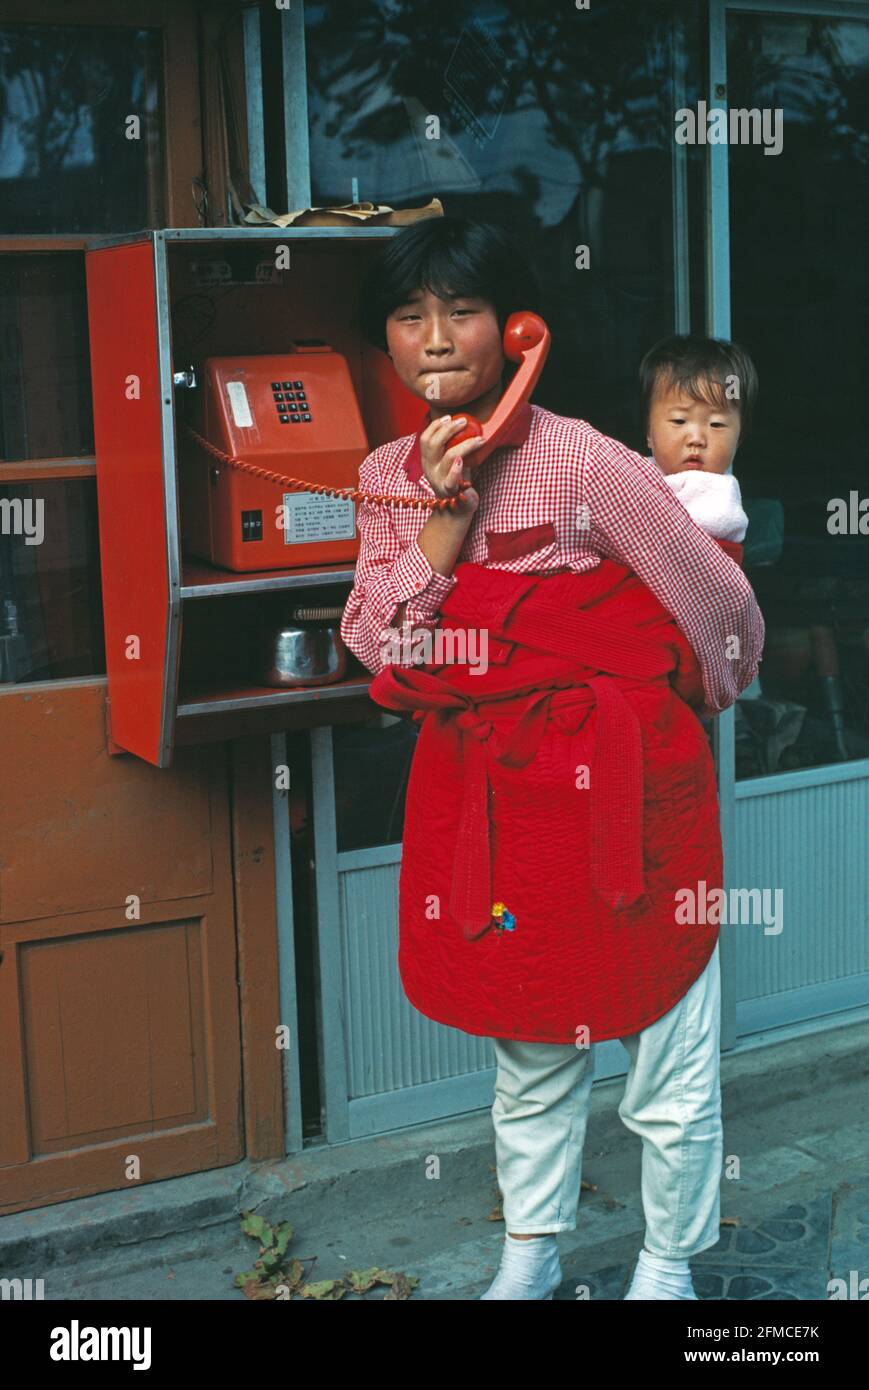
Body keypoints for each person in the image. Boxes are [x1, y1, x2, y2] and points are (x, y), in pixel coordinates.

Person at [340, 216, 765, 1300]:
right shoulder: (385, 474)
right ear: (383, 342)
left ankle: (666, 1262)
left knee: (667, 1055)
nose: (435, 338)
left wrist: (683, 694)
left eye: (462, 311)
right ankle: (528, 1254)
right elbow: (380, 651)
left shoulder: (580, 456)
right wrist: (444, 524)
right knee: (529, 1044)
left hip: (630, 794)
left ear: (514, 325)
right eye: (407, 316)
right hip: (497, 806)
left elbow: (712, 597)